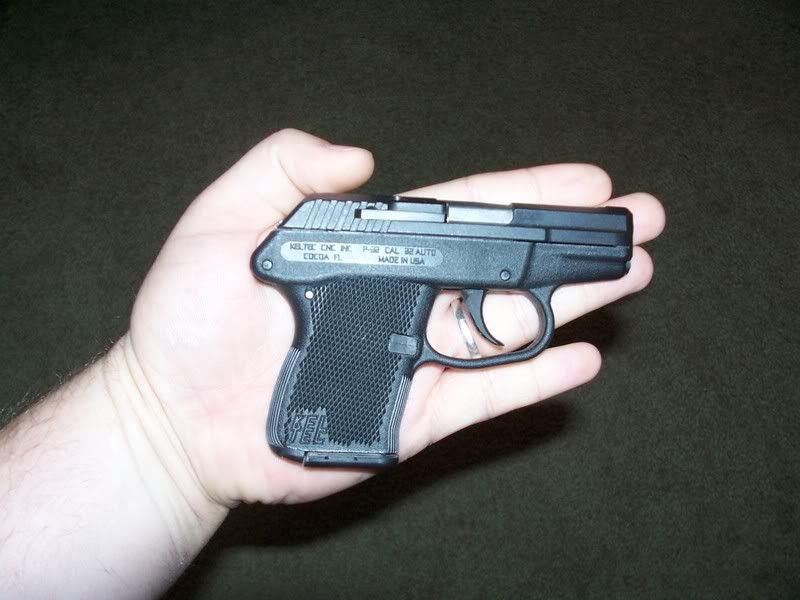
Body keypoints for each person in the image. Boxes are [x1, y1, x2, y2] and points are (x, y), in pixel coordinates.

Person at [0, 129, 665, 598]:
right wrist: (156, 427)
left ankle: (331, 428)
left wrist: (158, 439)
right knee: (354, 376)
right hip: (357, 272)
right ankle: (333, 431)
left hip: (355, 265)